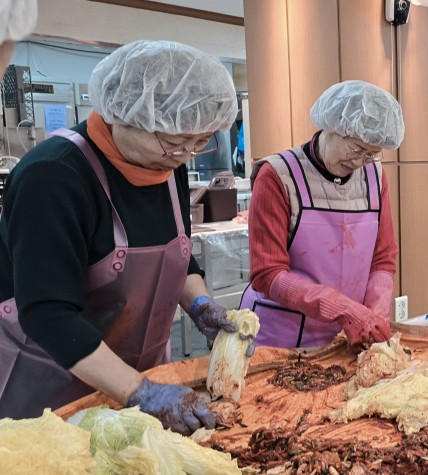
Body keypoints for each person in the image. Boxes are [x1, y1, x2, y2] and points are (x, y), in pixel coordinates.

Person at [0, 40, 243, 435]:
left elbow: (177, 257)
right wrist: (141, 392)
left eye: (199, 143)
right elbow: (47, 314)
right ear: (123, 114)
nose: (184, 156)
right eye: (174, 142)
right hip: (50, 387)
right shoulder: (53, 178)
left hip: (137, 377)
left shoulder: (167, 166)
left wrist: (200, 304)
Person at [241, 80, 402, 348]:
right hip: (281, 337)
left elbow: (383, 259)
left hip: (347, 337)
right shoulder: (279, 175)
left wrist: (374, 315)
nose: (359, 162)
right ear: (331, 126)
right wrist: (340, 308)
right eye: (355, 148)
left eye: (371, 154)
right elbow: (267, 273)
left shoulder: (374, 176)